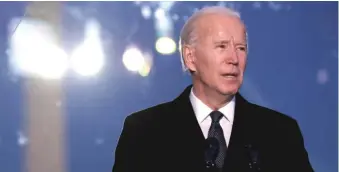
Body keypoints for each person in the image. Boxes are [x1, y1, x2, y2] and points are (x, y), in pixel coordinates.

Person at [112, 6, 314, 172]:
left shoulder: (281, 133)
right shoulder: (143, 132)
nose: (234, 59)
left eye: (241, 48)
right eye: (221, 46)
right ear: (191, 57)